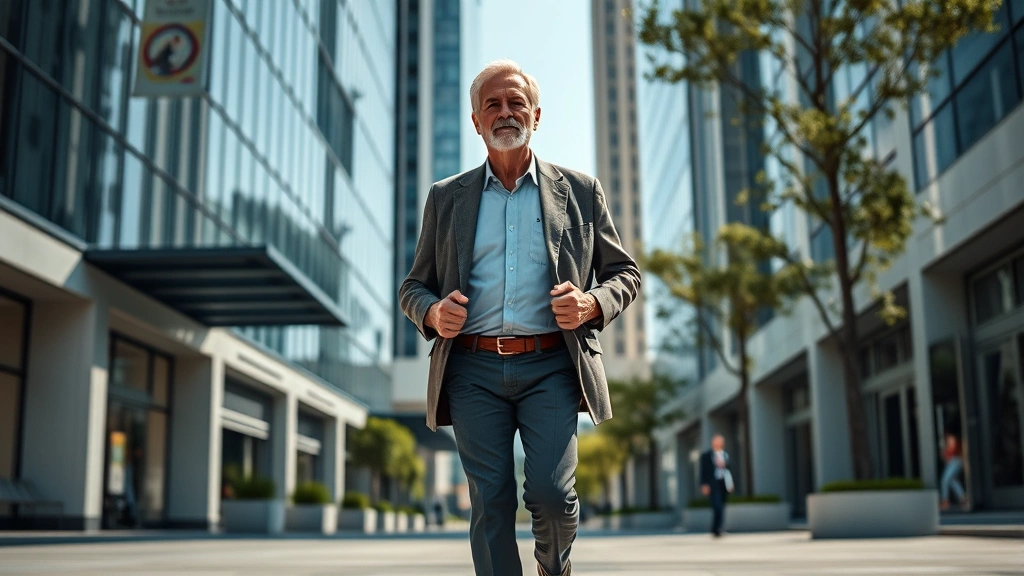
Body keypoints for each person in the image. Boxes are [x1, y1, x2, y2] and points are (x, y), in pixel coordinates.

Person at [399, 59, 640, 576]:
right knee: (490, 502)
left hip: (552, 365)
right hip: (472, 370)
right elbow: (413, 286)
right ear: (476, 121)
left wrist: (591, 303)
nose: (505, 113)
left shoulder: (580, 191)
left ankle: (555, 569)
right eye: (493, 104)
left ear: (536, 114)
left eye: (515, 103)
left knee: (552, 496)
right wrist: (433, 311)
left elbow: (625, 274)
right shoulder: (446, 198)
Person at [699, 434, 734, 537]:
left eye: (720, 441)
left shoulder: (725, 455)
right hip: (712, 484)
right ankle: (715, 528)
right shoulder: (706, 455)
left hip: (723, 483)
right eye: (716, 441)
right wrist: (703, 484)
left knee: (722, 506)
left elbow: (729, 471)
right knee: (716, 506)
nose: (718, 443)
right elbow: (703, 471)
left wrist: (731, 484)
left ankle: (719, 528)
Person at [940, 432, 968, 511]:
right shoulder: (951, 439)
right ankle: (962, 499)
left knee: (945, 480)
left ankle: (945, 501)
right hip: (954, 461)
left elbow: (952, 449)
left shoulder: (951, 437)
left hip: (955, 461)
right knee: (952, 481)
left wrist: (945, 453)